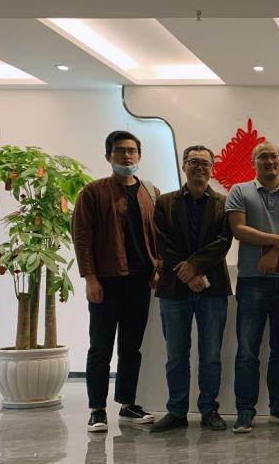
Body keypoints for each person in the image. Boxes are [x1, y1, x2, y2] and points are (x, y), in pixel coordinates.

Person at [72, 130, 159, 432]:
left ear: (139, 155)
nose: (127, 156)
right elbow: (82, 238)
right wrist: (90, 278)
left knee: (132, 348)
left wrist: (157, 267)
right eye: (120, 150)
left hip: (140, 282)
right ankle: (97, 409)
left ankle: (127, 404)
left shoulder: (150, 193)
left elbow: (157, 236)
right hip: (106, 281)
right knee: (100, 347)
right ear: (108, 155)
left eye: (132, 150)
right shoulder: (92, 192)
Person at [225, 141, 279, 432]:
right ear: (253, 163)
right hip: (252, 282)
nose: (270, 160)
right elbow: (239, 230)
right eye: (263, 156)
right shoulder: (239, 191)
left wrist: (273, 254)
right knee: (247, 351)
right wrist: (278, 240)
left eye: (274, 156)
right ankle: (245, 412)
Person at [150, 145, 233, 433]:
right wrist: (187, 273)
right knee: (176, 355)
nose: (199, 166)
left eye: (204, 163)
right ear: (184, 166)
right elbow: (161, 241)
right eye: (193, 161)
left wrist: (194, 266)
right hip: (175, 288)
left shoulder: (224, 203)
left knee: (211, 356)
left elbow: (223, 241)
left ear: (212, 168)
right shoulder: (165, 202)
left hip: (213, 289)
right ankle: (176, 411)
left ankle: (209, 410)